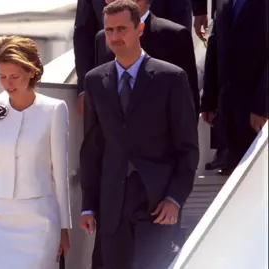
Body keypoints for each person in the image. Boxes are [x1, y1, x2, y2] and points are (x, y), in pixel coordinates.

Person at [79, 1, 199, 268]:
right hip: (112, 203)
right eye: (109, 30)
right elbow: (92, 148)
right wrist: (88, 204)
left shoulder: (171, 78)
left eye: (122, 29)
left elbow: (187, 147)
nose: (115, 36)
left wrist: (175, 198)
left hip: (157, 202)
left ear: (140, 28)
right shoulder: (95, 81)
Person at [0, 35, 71, 269]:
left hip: (39, 220)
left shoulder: (54, 110)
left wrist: (64, 228)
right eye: (2, 76)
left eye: (14, 76)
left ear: (31, 72)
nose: (8, 83)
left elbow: (60, 174)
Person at [74, 0, 193, 116]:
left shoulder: (174, 36)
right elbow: (83, 30)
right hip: (108, 75)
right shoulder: (101, 40)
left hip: (161, 63)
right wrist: (84, 89)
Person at [201, 0, 268, 175]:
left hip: (257, 114)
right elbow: (214, 50)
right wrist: (208, 100)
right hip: (229, 116)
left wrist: (262, 107)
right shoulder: (224, 4)